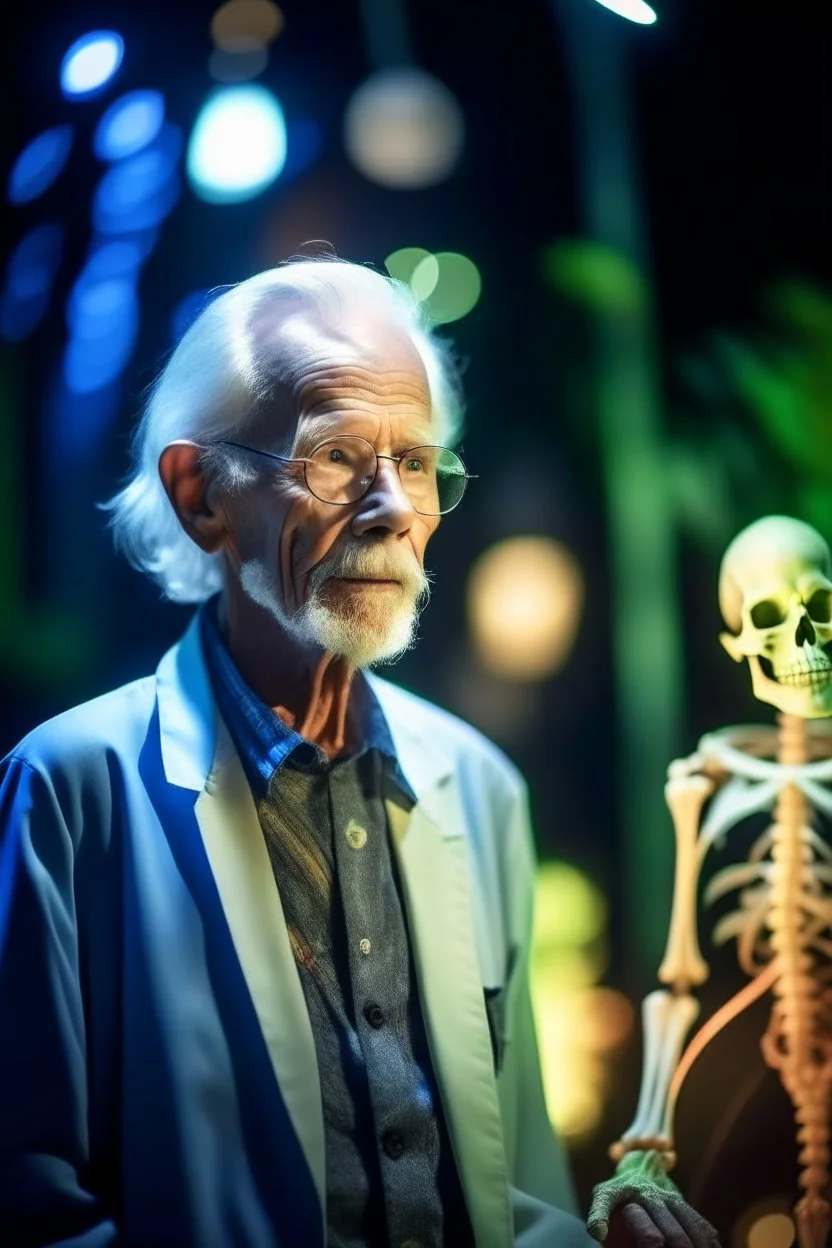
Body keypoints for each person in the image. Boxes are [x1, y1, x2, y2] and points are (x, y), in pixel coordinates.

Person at [0, 257, 717, 1247]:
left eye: (416, 462)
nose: (389, 509)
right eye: (335, 456)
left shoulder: (479, 786)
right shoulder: (71, 787)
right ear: (199, 492)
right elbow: (30, 1209)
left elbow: (508, 1185)